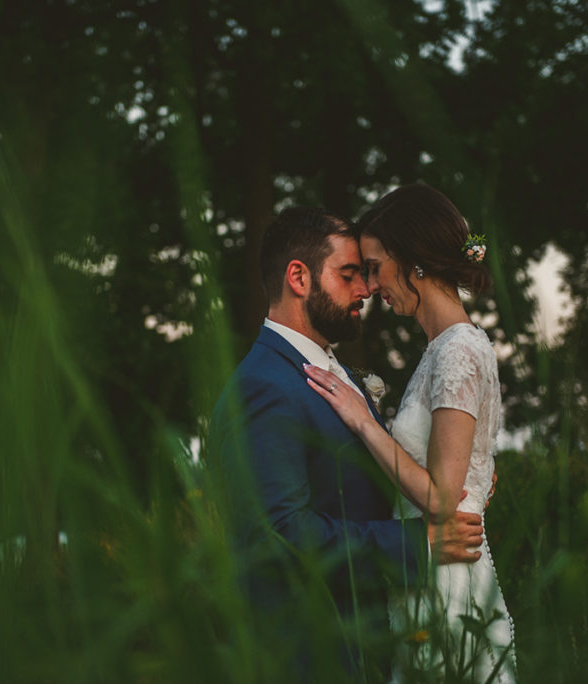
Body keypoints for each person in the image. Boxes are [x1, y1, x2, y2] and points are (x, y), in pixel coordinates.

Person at [208, 207, 487, 680]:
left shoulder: (326, 373)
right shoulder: (265, 385)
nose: (366, 290)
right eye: (348, 275)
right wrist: (417, 543)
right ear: (298, 277)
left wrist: (468, 482)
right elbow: (277, 536)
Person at [304, 184, 517, 682]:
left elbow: (442, 498)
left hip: (447, 578)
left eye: (375, 267)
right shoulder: (443, 348)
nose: (371, 285)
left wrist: (361, 418)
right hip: (428, 570)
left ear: (412, 259)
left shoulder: (457, 350)